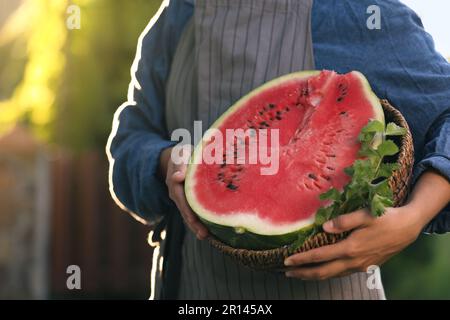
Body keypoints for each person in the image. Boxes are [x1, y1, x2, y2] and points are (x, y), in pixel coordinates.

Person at [106, 0, 450, 300]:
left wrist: (413, 218)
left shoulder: (356, 10)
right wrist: (163, 161)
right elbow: (130, 140)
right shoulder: (179, 12)